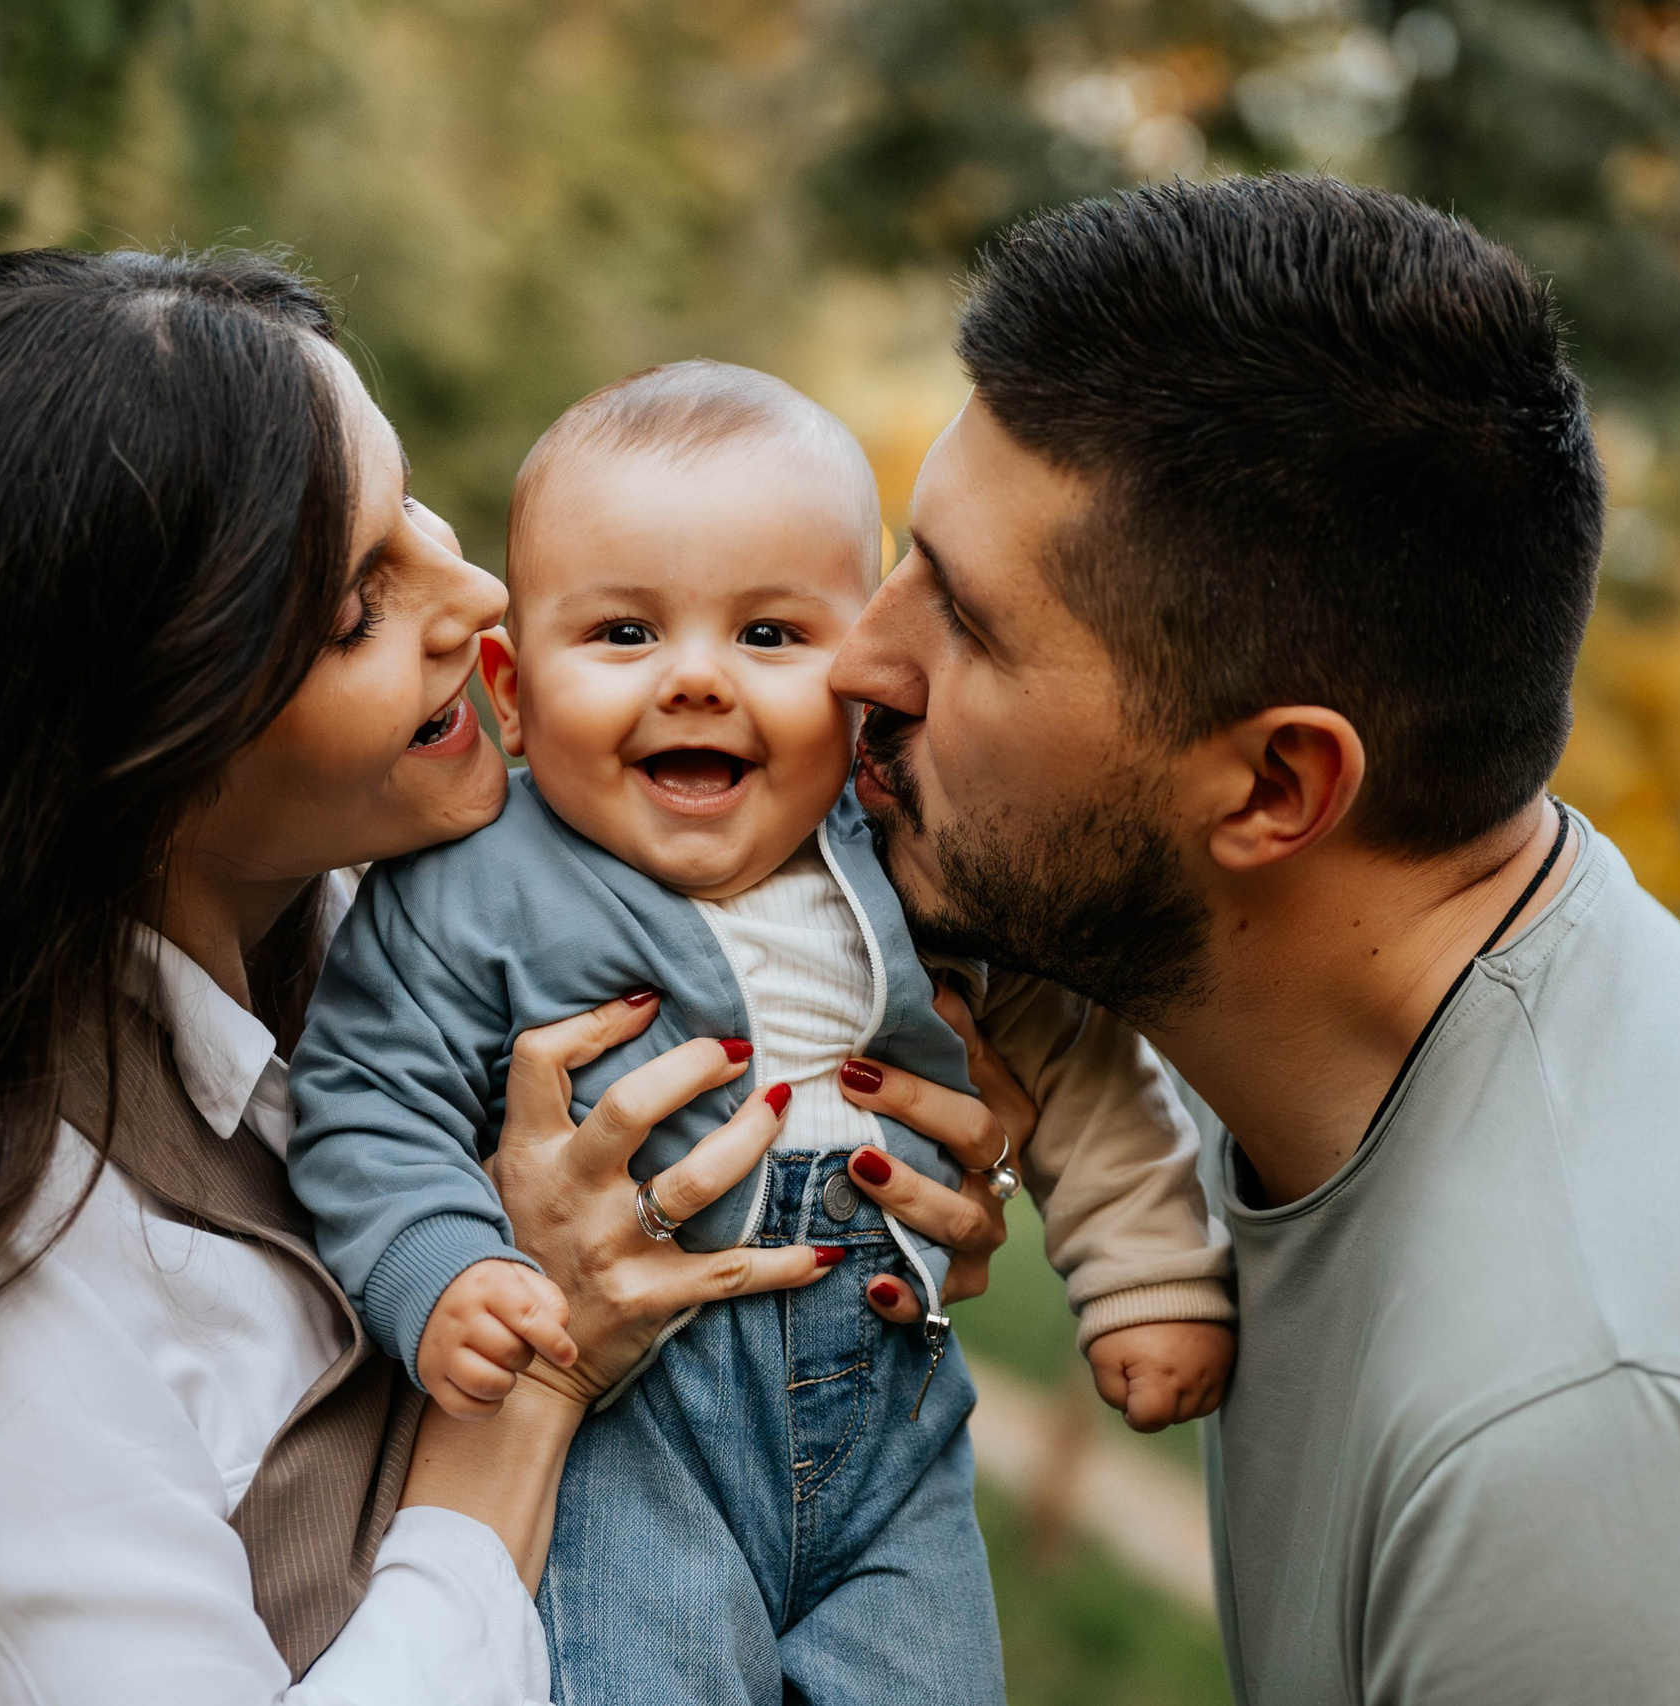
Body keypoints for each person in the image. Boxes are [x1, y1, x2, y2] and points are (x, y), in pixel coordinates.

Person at [0, 248, 1014, 1706]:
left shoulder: (388, 920)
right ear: (135, 750)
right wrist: (529, 1392)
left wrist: (858, 1175)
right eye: (355, 607)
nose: (477, 611)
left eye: (422, 521)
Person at [832, 174, 1680, 1704]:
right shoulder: (1377, 1034)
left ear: (1277, 784)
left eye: (966, 624)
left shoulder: (1589, 1433)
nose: (859, 654)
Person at [284, 362, 1231, 1702]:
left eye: (770, 638)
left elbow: (1068, 1054)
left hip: (892, 1450)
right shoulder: (467, 889)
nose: (696, 682)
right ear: (511, 684)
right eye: (623, 634)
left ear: (860, 680)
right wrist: (443, 1270)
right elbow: (367, 1100)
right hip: (635, 1441)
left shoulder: (901, 855)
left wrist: (1144, 1273)